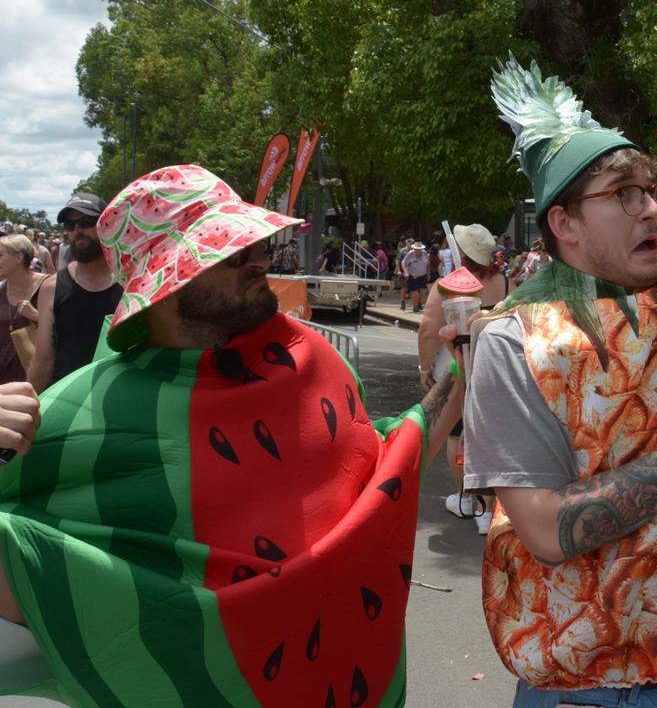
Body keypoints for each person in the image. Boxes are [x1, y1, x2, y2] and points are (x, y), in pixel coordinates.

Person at [0, 164, 464, 706]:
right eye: (234, 252)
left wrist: (458, 371)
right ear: (167, 281)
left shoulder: (312, 362)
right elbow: (24, 556)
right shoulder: (78, 412)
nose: (262, 261)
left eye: (256, 245)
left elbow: (384, 472)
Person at [463, 55, 657, 706]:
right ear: (565, 224)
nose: (651, 211)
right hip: (585, 689)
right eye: (623, 195)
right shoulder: (512, 341)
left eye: (652, 192)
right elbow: (549, 532)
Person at [418, 224, 514, 535]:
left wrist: (424, 369)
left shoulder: (447, 285)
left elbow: (428, 331)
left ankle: (466, 501)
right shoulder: (504, 281)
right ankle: (486, 510)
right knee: (486, 432)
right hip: (494, 365)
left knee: (456, 435)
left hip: (456, 366)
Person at [27, 192, 123, 392]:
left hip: (119, 395)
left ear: (106, 224)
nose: (77, 230)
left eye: (86, 221)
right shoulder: (52, 287)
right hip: (67, 397)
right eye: (70, 225)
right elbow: (43, 358)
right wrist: (34, 407)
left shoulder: (129, 282)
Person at [0, 235, 49, 383]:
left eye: (0, 255)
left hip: (36, 379)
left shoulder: (48, 286)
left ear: (19, 257)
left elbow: (70, 329)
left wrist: (37, 316)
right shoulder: (1, 289)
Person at [401, 241, 429, 313]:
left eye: (419, 249)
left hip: (423, 275)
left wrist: (429, 274)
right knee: (415, 292)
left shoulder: (425, 253)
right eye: (417, 249)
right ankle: (415, 306)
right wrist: (405, 272)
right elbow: (403, 263)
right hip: (413, 276)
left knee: (423, 292)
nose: (418, 251)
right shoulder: (410, 254)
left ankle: (419, 303)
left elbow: (428, 264)